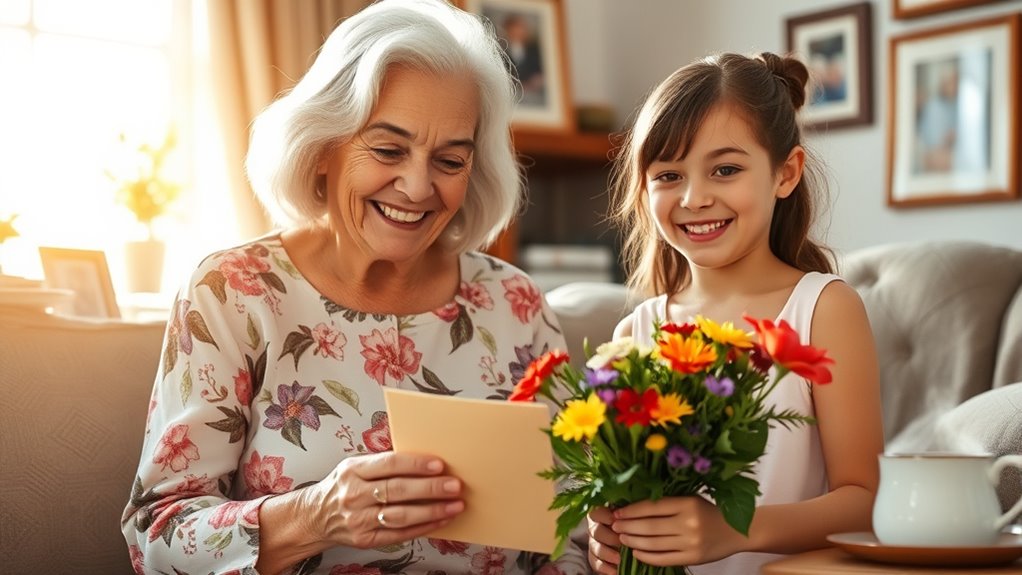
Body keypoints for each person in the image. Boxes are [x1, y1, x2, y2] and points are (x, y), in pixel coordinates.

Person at [120, 1, 588, 573]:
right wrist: (317, 515)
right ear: (322, 147)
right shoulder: (232, 293)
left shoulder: (514, 305)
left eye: (449, 160)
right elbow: (155, 537)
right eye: (388, 149)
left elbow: (573, 531)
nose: (418, 186)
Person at [586, 52, 884, 574]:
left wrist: (734, 528)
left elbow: (865, 500)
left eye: (725, 170)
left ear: (785, 173)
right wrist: (606, 536)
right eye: (669, 175)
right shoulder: (634, 331)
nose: (696, 197)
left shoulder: (823, 309)